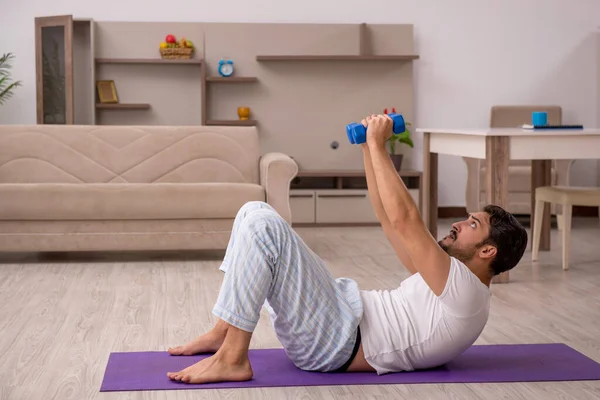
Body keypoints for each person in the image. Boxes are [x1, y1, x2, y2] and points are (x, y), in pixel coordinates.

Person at [166, 114, 528, 384]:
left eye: (472, 225)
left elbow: (406, 219)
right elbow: (389, 218)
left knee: (262, 226)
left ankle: (233, 358)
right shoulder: (448, 281)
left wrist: (379, 145)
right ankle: (223, 330)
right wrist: (367, 150)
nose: (459, 224)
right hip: (338, 317)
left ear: (487, 252)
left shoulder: (465, 293)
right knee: (253, 211)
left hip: (336, 340)